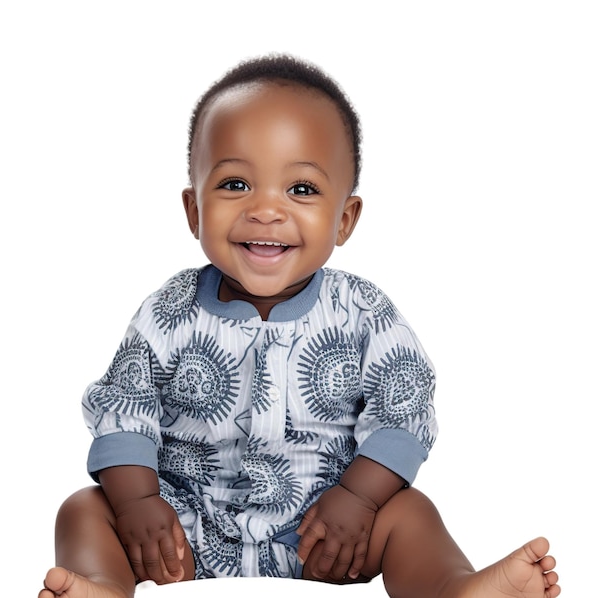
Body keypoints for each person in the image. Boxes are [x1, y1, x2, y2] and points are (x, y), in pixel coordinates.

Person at [39, 54, 560, 598]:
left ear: (345, 218)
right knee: (83, 507)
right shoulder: (167, 311)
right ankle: (101, 585)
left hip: (329, 534)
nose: (266, 210)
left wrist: (358, 499)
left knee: (410, 513)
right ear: (194, 210)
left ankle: (452, 587)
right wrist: (138, 503)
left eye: (303, 190)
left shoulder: (362, 312)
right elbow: (125, 410)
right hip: (180, 534)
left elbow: (403, 413)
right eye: (236, 184)